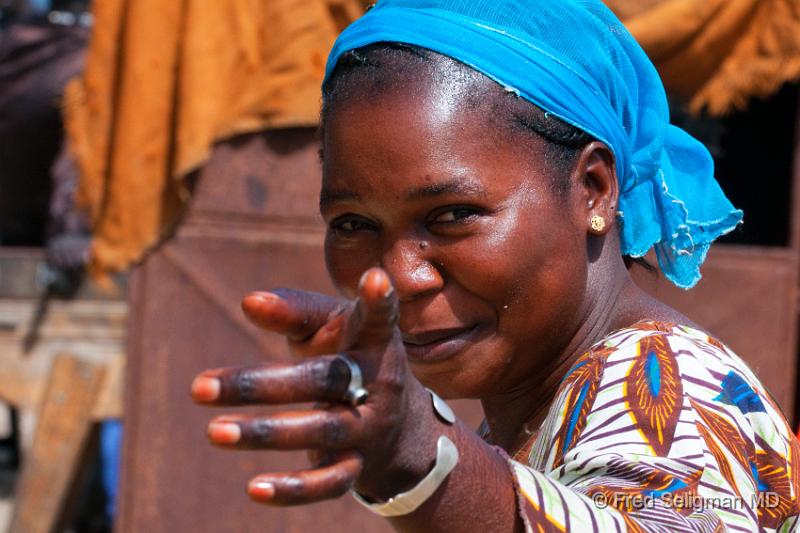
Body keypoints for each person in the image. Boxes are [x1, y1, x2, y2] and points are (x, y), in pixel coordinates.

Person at [190, 0, 800, 530]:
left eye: (453, 214)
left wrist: (425, 463)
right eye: (352, 225)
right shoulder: (531, 415)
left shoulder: (663, 386)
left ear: (592, 188)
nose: (399, 276)